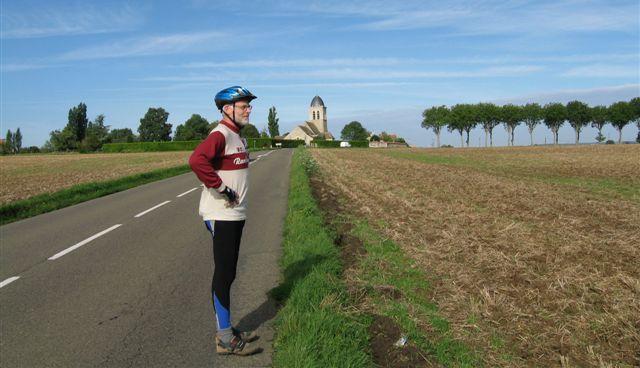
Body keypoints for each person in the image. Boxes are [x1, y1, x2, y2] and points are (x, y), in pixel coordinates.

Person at [189, 86, 261, 356]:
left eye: (248, 106)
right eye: (244, 106)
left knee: (229, 272)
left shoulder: (236, 136)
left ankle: (228, 328)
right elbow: (197, 160)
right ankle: (223, 338)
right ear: (227, 109)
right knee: (224, 273)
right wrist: (222, 189)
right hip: (221, 214)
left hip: (234, 214)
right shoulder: (220, 134)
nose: (248, 109)